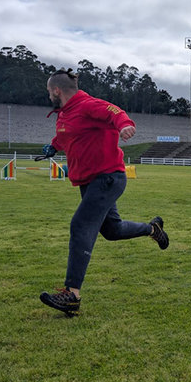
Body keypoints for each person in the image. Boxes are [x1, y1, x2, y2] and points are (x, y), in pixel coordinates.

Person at [39, 68, 169, 316]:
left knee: (80, 225)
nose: (49, 97)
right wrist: (53, 147)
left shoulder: (87, 104)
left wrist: (125, 126)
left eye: (49, 92)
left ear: (57, 90)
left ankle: (72, 295)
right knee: (112, 230)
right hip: (90, 181)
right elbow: (66, 136)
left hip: (108, 177)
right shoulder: (65, 114)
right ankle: (153, 229)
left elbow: (115, 112)